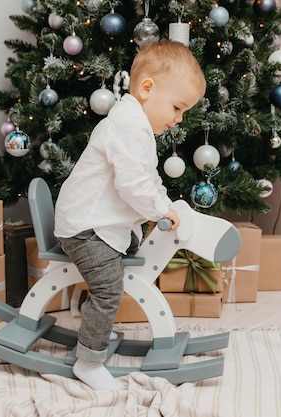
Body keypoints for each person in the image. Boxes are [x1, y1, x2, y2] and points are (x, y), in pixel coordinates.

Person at [54, 39, 207, 390]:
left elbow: (147, 177)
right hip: (85, 227)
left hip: (98, 223)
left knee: (132, 251)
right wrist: (157, 208)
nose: (178, 119)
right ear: (147, 88)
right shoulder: (128, 125)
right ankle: (88, 362)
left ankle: (97, 330)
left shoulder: (135, 125)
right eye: (177, 107)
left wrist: (164, 204)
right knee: (108, 289)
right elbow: (132, 184)